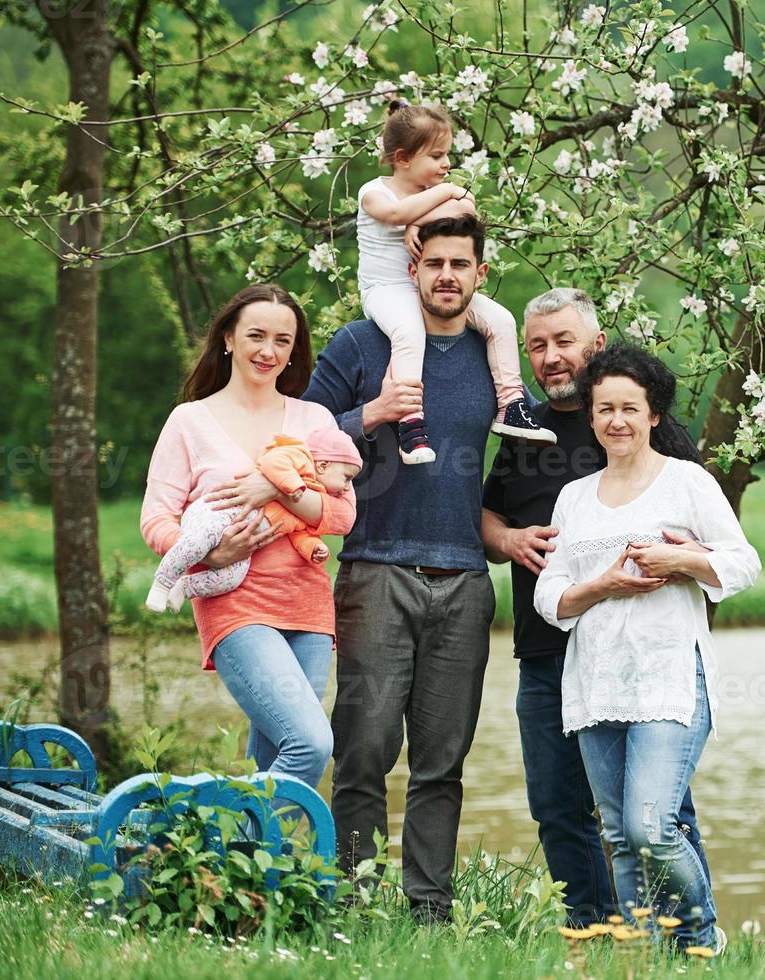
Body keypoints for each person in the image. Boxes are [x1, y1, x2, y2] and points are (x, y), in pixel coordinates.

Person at [481, 289, 714, 926]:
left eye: (564, 341)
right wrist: (504, 539)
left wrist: (680, 559)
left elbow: (708, 534)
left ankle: (685, 941)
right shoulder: (521, 427)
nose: (552, 357)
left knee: (658, 815)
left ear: (598, 345)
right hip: (546, 654)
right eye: (538, 345)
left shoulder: (639, 423)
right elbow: (490, 512)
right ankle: (597, 937)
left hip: (639, 656)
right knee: (561, 809)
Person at [305, 214, 500, 925]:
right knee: (362, 750)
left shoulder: (491, 355)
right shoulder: (363, 343)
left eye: (461, 264)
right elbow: (297, 433)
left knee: (441, 762)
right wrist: (375, 413)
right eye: (434, 262)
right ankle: (352, 906)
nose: (447, 275)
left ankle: (428, 913)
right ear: (412, 268)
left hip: (465, 579)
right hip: (372, 570)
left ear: (481, 274)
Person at [533, 343, 760, 953]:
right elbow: (548, 598)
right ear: (591, 415)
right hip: (595, 682)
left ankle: (701, 933)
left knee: (651, 825)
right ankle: (642, 957)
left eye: (630, 408)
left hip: (669, 678)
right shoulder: (574, 498)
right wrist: (602, 584)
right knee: (617, 832)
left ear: (652, 413)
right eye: (604, 408)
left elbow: (743, 565)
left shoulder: (687, 482)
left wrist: (681, 559)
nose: (617, 421)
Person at [140, 284, 357, 791]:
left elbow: (342, 515)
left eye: (283, 340)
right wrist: (211, 553)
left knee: (275, 756)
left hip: (307, 605)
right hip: (234, 603)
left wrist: (276, 490)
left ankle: (243, 867)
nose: (269, 350)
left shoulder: (314, 420)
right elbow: (156, 518)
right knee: (311, 742)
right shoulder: (190, 421)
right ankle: (232, 855)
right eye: (256, 336)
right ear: (228, 340)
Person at [358, 99, 551, 462]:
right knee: (409, 333)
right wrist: (443, 197)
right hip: (386, 290)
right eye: (436, 156)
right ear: (403, 158)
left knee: (501, 320)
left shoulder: (424, 197)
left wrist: (420, 220)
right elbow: (395, 213)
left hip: (428, 287)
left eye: (447, 154)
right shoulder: (375, 192)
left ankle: (511, 405)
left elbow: (469, 207)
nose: (446, 164)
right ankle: (410, 422)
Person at [145, 427, 362, 613]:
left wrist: (313, 548)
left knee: (231, 578)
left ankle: (185, 587)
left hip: (245, 540)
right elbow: (273, 461)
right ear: (323, 465)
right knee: (197, 543)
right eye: (347, 478)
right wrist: (289, 487)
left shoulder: (313, 494)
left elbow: (300, 533)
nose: (347, 487)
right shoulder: (301, 458)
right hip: (223, 512)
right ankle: (163, 582)